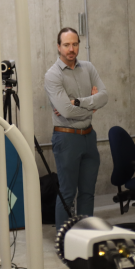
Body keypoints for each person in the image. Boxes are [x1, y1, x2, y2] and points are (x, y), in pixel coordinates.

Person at [44, 28, 108, 230]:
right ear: (58, 47)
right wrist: (91, 106)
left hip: (89, 137)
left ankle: (85, 236)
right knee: (67, 192)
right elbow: (66, 111)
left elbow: (104, 96)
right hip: (67, 139)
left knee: (88, 192)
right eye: (66, 45)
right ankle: (64, 240)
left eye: (75, 44)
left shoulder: (88, 68)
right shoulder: (52, 75)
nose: (71, 49)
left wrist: (79, 102)